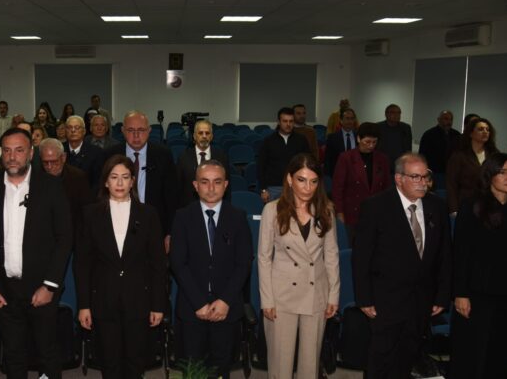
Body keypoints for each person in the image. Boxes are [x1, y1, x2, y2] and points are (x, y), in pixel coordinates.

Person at [0, 128, 73, 379]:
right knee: (13, 354)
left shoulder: (51, 186)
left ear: (30, 153)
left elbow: (64, 238)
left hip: (42, 288)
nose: (12, 156)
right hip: (3, 289)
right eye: (7, 150)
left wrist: (49, 285)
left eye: (19, 150)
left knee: (47, 353)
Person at [353, 153, 452, 379]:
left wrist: (442, 295)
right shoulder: (376, 206)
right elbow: (361, 257)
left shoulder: (437, 206)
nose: (422, 182)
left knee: (407, 360)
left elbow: (445, 255)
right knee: (381, 362)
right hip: (385, 301)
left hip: (422, 301)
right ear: (399, 179)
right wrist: (364, 298)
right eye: (415, 177)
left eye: (425, 176)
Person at [75, 155, 166, 379]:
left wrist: (158, 304)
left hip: (139, 300)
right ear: (106, 182)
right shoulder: (90, 214)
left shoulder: (148, 214)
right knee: (109, 364)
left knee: (136, 363)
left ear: (132, 181)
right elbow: (83, 264)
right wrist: (84, 305)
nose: (119, 183)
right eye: (114, 177)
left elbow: (158, 264)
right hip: (103, 300)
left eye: (125, 177)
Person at [450, 153, 507, 378]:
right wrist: (460, 293)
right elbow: (461, 253)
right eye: (503, 172)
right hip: (478, 293)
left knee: (504, 353)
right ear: (489, 175)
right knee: (473, 354)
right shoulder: (472, 206)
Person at [258, 153, 339, 379]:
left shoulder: (326, 210)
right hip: (281, 294)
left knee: (310, 363)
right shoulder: (272, 210)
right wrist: (267, 300)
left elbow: (331, 256)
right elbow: (264, 258)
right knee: (280, 362)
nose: (308, 187)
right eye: (301, 180)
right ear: (289, 179)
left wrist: (333, 295)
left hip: (316, 292)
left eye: (313, 181)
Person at [170, 159, 252, 378]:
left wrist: (224, 301)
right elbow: (178, 263)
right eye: (205, 182)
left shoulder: (238, 217)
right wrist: (199, 303)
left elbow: (243, 263)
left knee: (221, 368)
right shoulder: (182, 217)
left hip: (226, 309)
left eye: (217, 182)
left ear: (226, 185)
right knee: (192, 370)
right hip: (192, 308)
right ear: (195, 185)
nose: (211, 188)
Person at [104, 110, 179, 251]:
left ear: (149, 130)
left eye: (141, 130)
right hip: (118, 224)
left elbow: (171, 198)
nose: (136, 135)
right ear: (123, 131)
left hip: (154, 226)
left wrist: (170, 232)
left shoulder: (163, 155)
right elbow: (102, 193)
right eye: (131, 130)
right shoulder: (110, 155)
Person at [332, 122, 391, 246]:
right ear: (359, 139)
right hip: (351, 213)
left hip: (375, 212)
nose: (371, 145)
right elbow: (338, 188)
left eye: (374, 142)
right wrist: (339, 212)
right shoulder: (346, 158)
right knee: (352, 247)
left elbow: (387, 187)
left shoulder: (382, 159)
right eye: (367, 142)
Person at [39, 139, 92, 236]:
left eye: (54, 162)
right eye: (45, 162)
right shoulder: (36, 178)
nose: (49, 167)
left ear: (63, 157)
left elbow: (86, 211)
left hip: (73, 232)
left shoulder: (78, 177)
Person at [446, 117, 499, 214]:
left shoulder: (494, 155)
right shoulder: (459, 156)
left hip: (488, 204)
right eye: (480, 129)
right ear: (471, 133)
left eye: (487, 130)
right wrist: (454, 209)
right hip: (465, 204)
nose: (485, 132)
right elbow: (451, 184)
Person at [257, 107, 311, 203]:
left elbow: (307, 164)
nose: (288, 124)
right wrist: (263, 189)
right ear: (279, 122)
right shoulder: (268, 141)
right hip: (274, 187)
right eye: (285, 121)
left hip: (296, 185)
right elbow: (261, 166)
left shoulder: (301, 140)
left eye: (291, 121)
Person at [177, 120, 229, 207]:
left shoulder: (221, 157)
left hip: (215, 207)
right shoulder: (183, 158)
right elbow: (178, 188)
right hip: (190, 208)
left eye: (207, 133)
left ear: (211, 136)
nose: (204, 136)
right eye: (200, 133)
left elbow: (226, 187)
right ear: (194, 136)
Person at [64, 115, 104, 188]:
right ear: (65, 131)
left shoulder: (96, 152)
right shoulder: (59, 150)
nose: (73, 130)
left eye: (77, 127)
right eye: (69, 127)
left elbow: (97, 182)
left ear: (84, 131)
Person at [418, 110, 461, 174]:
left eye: (451, 119)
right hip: (435, 172)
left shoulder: (456, 135)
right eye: (446, 119)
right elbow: (422, 155)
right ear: (438, 120)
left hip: (452, 171)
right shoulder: (429, 134)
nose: (449, 122)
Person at [324, 108, 357, 177]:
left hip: (356, 174)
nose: (350, 121)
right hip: (338, 174)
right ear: (341, 121)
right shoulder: (332, 138)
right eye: (347, 118)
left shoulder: (359, 136)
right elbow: (328, 160)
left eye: (352, 119)